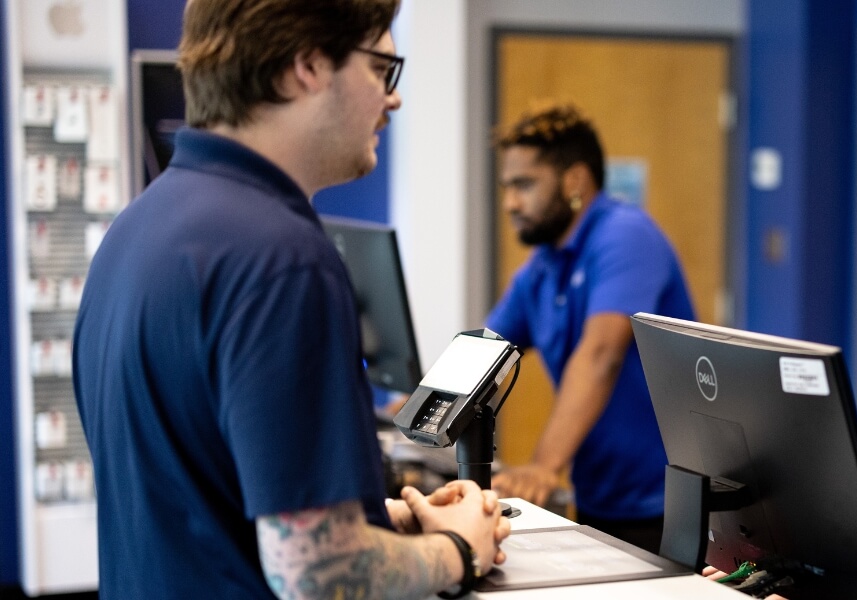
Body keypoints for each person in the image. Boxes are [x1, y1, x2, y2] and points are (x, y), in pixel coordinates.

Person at [72, 1, 508, 598]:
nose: (393, 98)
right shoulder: (283, 259)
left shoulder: (135, 230)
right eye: (382, 67)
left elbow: (205, 504)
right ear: (307, 64)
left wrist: (387, 523)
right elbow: (318, 573)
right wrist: (459, 549)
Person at [487, 103, 696, 552]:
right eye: (507, 187)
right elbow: (484, 354)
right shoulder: (543, 266)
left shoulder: (625, 234)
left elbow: (601, 354)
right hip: (601, 494)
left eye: (524, 185)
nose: (510, 203)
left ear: (574, 181)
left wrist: (544, 465)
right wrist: (415, 409)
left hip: (667, 503)